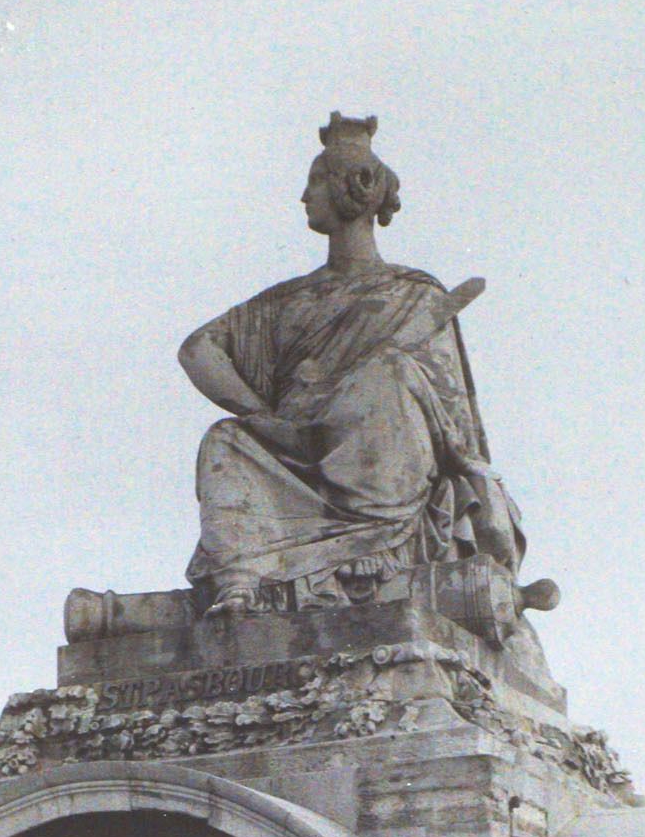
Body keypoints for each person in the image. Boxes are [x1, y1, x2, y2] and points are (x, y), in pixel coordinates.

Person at [178, 112, 523, 615]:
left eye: (316, 181)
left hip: (382, 462)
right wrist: (259, 414)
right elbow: (197, 349)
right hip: (295, 446)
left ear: (352, 189)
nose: (304, 196)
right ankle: (241, 581)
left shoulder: (415, 295)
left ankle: (370, 547)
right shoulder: (286, 300)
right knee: (225, 439)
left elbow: (449, 413)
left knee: (390, 374)